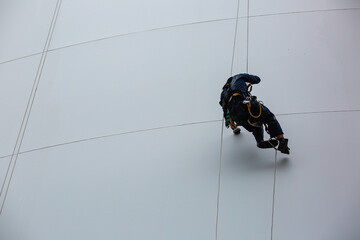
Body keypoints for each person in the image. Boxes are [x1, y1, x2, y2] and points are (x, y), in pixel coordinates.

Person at [219, 73, 290, 154]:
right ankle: (282, 141)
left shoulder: (223, 94)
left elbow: (225, 111)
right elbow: (257, 79)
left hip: (235, 115)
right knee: (269, 117)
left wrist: (234, 128)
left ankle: (260, 141)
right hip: (245, 104)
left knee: (256, 125)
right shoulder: (238, 77)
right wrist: (246, 83)